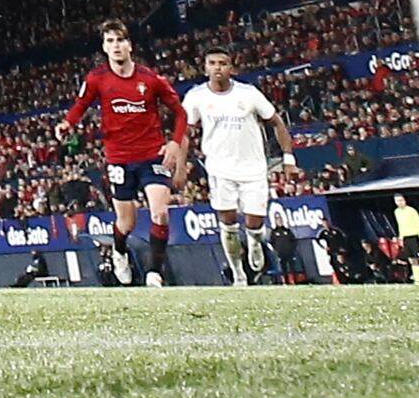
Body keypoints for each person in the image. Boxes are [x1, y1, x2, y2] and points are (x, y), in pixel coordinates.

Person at [63, 20, 185, 287]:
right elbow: (81, 104)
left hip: (153, 155)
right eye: (110, 41)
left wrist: (174, 143)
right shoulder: (97, 78)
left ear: (130, 45)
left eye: (120, 40)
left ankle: (154, 272)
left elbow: (180, 112)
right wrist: (67, 124)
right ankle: (119, 250)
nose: (115, 46)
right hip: (119, 159)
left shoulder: (151, 79)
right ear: (104, 48)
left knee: (160, 213)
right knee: (126, 223)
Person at [179, 49, 292, 287]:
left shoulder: (249, 94)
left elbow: (276, 122)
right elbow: (184, 133)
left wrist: (288, 157)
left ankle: (254, 242)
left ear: (231, 68)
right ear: (205, 67)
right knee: (228, 224)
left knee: (255, 223)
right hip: (220, 169)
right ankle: (238, 273)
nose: (217, 67)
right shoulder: (196, 96)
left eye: (222, 63)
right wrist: (181, 167)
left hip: (253, 168)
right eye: (212, 63)